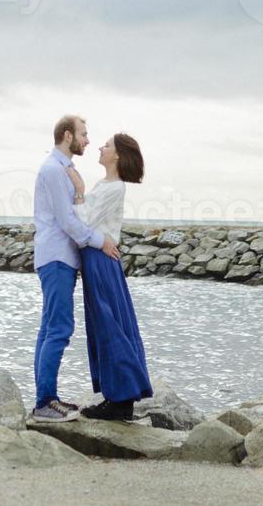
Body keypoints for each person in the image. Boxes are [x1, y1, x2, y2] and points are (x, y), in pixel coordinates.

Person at [30, 114, 121, 423]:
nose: (87, 140)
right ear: (67, 135)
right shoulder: (54, 170)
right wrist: (101, 242)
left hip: (61, 257)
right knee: (58, 329)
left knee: (50, 328)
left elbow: (78, 215)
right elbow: (68, 221)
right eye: (83, 134)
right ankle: (44, 402)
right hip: (56, 257)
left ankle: (48, 397)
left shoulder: (65, 170)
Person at [71, 132, 153, 420]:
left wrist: (79, 191)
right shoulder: (105, 185)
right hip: (97, 258)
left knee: (110, 324)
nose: (101, 148)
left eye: (107, 145)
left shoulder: (114, 188)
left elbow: (84, 222)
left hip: (101, 260)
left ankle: (121, 398)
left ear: (117, 155)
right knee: (106, 324)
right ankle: (116, 394)